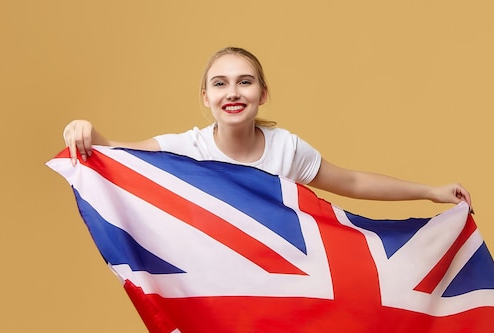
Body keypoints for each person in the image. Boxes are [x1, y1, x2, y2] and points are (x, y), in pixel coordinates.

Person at [63, 46, 472, 210]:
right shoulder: (188, 149)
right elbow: (120, 155)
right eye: (219, 84)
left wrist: (430, 192)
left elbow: (353, 182)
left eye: (245, 81)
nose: (232, 92)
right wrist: (88, 133)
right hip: (218, 295)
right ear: (205, 97)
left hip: (281, 292)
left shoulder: (286, 150)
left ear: (263, 93)